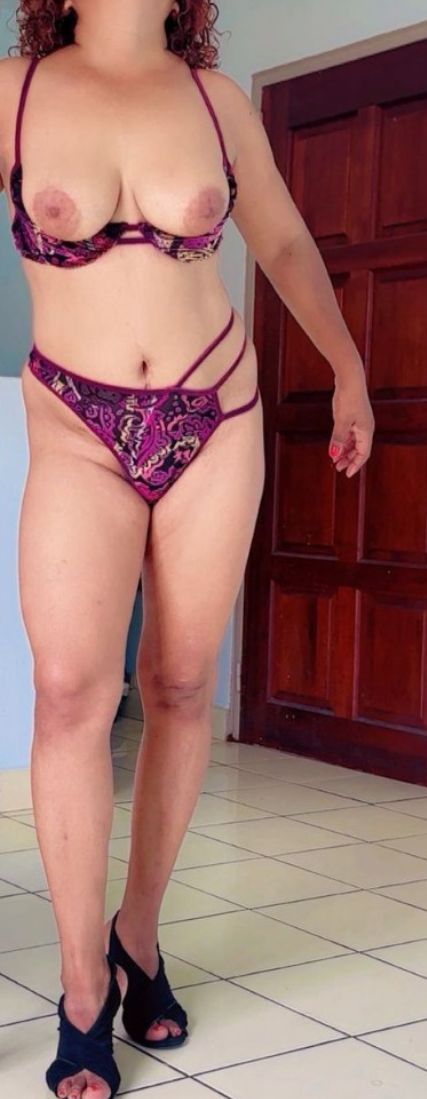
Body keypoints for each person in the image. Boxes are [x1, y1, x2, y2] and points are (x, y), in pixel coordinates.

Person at [0, 2, 375, 1096]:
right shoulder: (16, 90)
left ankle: (139, 936)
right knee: (71, 692)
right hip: (76, 423)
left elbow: (286, 242)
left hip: (217, 414)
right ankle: (82, 988)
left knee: (174, 685)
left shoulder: (214, 103)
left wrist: (348, 369)